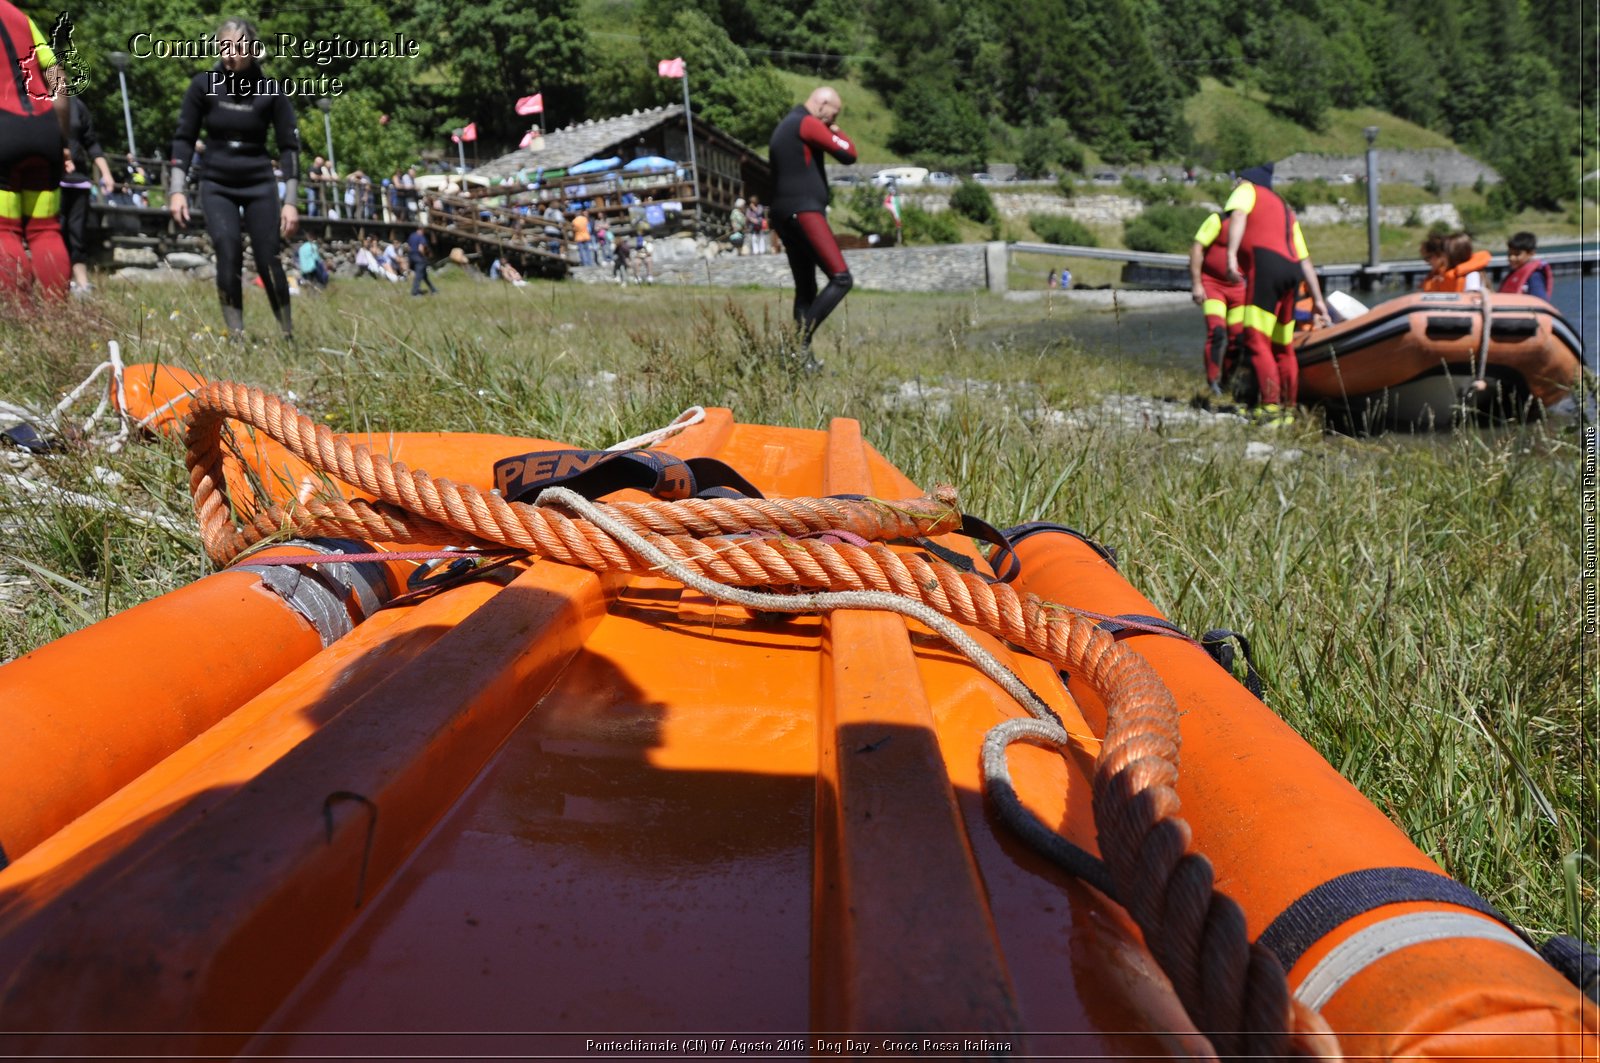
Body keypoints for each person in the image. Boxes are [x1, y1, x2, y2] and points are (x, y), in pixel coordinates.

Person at [168, 18, 299, 340]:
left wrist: (291, 202)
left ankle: (286, 332)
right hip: (216, 182)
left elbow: (289, 147)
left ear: (253, 50)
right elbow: (184, 138)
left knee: (268, 257)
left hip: (258, 183)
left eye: (239, 48)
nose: (231, 54)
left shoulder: (271, 91)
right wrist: (176, 189)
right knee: (227, 251)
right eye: (224, 47)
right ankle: (236, 335)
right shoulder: (203, 85)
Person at [1223, 162, 1330, 425]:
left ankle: (1269, 409)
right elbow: (1304, 259)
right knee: (1282, 346)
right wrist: (1318, 300)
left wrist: (1230, 255)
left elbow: (1237, 216)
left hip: (1265, 266)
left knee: (1256, 339)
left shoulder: (1248, 189)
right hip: (1291, 273)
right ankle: (1288, 411)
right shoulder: (1286, 210)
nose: (1234, 186)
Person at [769, 85, 858, 366]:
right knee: (841, 278)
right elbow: (849, 154)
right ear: (822, 104)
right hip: (804, 210)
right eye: (833, 114)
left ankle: (801, 361)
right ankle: (796, 343)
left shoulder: (786, 125)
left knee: (806, 289)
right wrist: (836, 131)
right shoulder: (807, 122)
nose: (833, 119)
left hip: (784, 214)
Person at [0, 0, 71, 305]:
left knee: (4, 231)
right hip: (44, 130)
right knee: (46, 230)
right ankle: (57, 315)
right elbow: (58, 80)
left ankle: (21, 314)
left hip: (4, 129)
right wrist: (63, 140)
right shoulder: (21, 17)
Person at [60, 96, 114, 296]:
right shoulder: (37, 100)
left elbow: (91, 142)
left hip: (78, 180)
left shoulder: (77, 105)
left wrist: (106, 174)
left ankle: (82, 285)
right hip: (50, 178)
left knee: (77, 233)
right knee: (55, 231)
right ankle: (57, 281)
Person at [1189, 210, 1246, 395]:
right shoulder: (1218, 219)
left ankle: (1227, 382)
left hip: (1239, 290)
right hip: (1213, 285)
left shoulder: (1253, 223)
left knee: (1237, 339)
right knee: (1217, 331)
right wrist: (1197, 284)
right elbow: (1197, 247)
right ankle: (1212, 380)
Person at [1420, 230, 1490, 292]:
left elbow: (1472, 302)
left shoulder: (1472, 277)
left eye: (1444, 254)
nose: (1443, 258)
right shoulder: (1441, 276)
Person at [1499, 231, 1552, 300]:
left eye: (1517, 254)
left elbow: (1539, 300)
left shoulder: (1534, 276)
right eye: (1509, 254)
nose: (1512, 258)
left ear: (1531, 253)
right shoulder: (1513, 274)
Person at [407, 225, 437, 295]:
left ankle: (433, 289)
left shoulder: (412, 236)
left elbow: (408, 247)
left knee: (424, 275)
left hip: (411, 257)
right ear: (422, 230)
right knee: (418, 276)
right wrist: (424, 257)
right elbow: (421, 249)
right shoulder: (421, 237)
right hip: (419, 258)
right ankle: (414, 292)